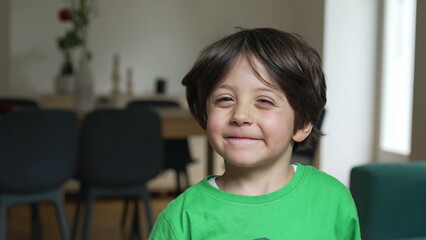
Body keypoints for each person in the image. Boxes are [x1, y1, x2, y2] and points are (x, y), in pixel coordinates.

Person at [148, 28, 360, 240]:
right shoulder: (180, 219)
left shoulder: (333, 200)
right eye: (225, 99)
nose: (240, 115)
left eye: (265, 101)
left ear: (303, 124)